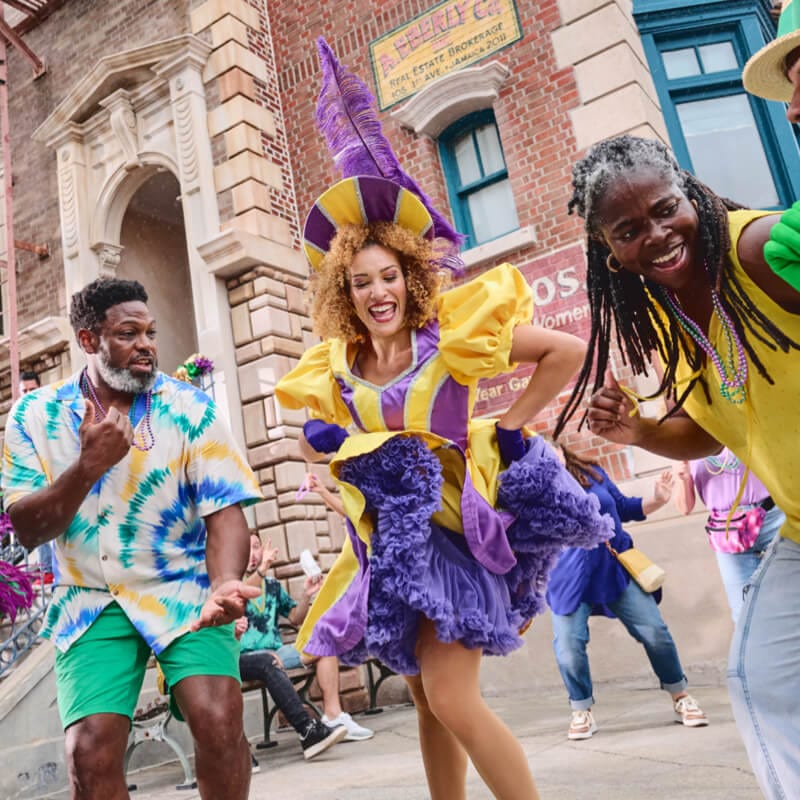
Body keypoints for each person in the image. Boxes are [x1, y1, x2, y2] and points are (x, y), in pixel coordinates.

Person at [273, 38, 613, 800]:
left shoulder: (451, 340)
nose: (376, 293)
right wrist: (342, 463)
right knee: (428, 699)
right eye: (360, 283)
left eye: (387, 276)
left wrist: (515, 426)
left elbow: (563, 349)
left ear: (409, 274)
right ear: (345, 292)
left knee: (453, 697)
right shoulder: (336, 365)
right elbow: (311, 433)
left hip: (458, 535)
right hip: (393, 548)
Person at [554, 134, 800, 800]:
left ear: (690, 194)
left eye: (666, 209)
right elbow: (707, 432)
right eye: (630, 230)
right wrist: (636, 428)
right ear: (608, 250)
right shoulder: (666, 321)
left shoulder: (760, 251)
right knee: (762, 682)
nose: (657, 235)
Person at [1, 278, 263, 800]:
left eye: (150, 332)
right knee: (88, 755)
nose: (146, 344)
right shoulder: (34, 416)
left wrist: (226, 582)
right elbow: (28, 529)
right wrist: (87, 468)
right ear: (87, 340)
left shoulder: (191, 409)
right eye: (128, 333)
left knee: (219, 721)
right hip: (90, 598)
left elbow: (224, 511)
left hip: (185, 590)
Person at [547, 443, 707, 740]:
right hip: (567, 579)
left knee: (654, 632)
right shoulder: (532, 491)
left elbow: (622, 507)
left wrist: (657, 499)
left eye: (547, 447)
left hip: (613, 567)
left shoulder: (591, 473)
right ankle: (581, 709)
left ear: (560, 449)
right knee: (569, 648)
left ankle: (680, 695)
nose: (544, 453)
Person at [239, 531, 371, 757]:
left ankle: (333, 715)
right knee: (269, 660)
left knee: (324, 643)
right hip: (247, 658)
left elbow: (294, 618)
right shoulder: (233, 584)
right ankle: (309, 728)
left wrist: (306, 595)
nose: (254, 554)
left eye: (256, 547)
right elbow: (241, 595)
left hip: (278, 651)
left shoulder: (271, 585)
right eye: (247, 548)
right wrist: (262, 570)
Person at [673, 450, 784, 622]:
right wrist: (683, 478)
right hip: (729, 535)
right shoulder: (686, 441)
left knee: (790, 599)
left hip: (771, 517)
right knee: (744, 616)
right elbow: (684, 507)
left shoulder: (739, 424)